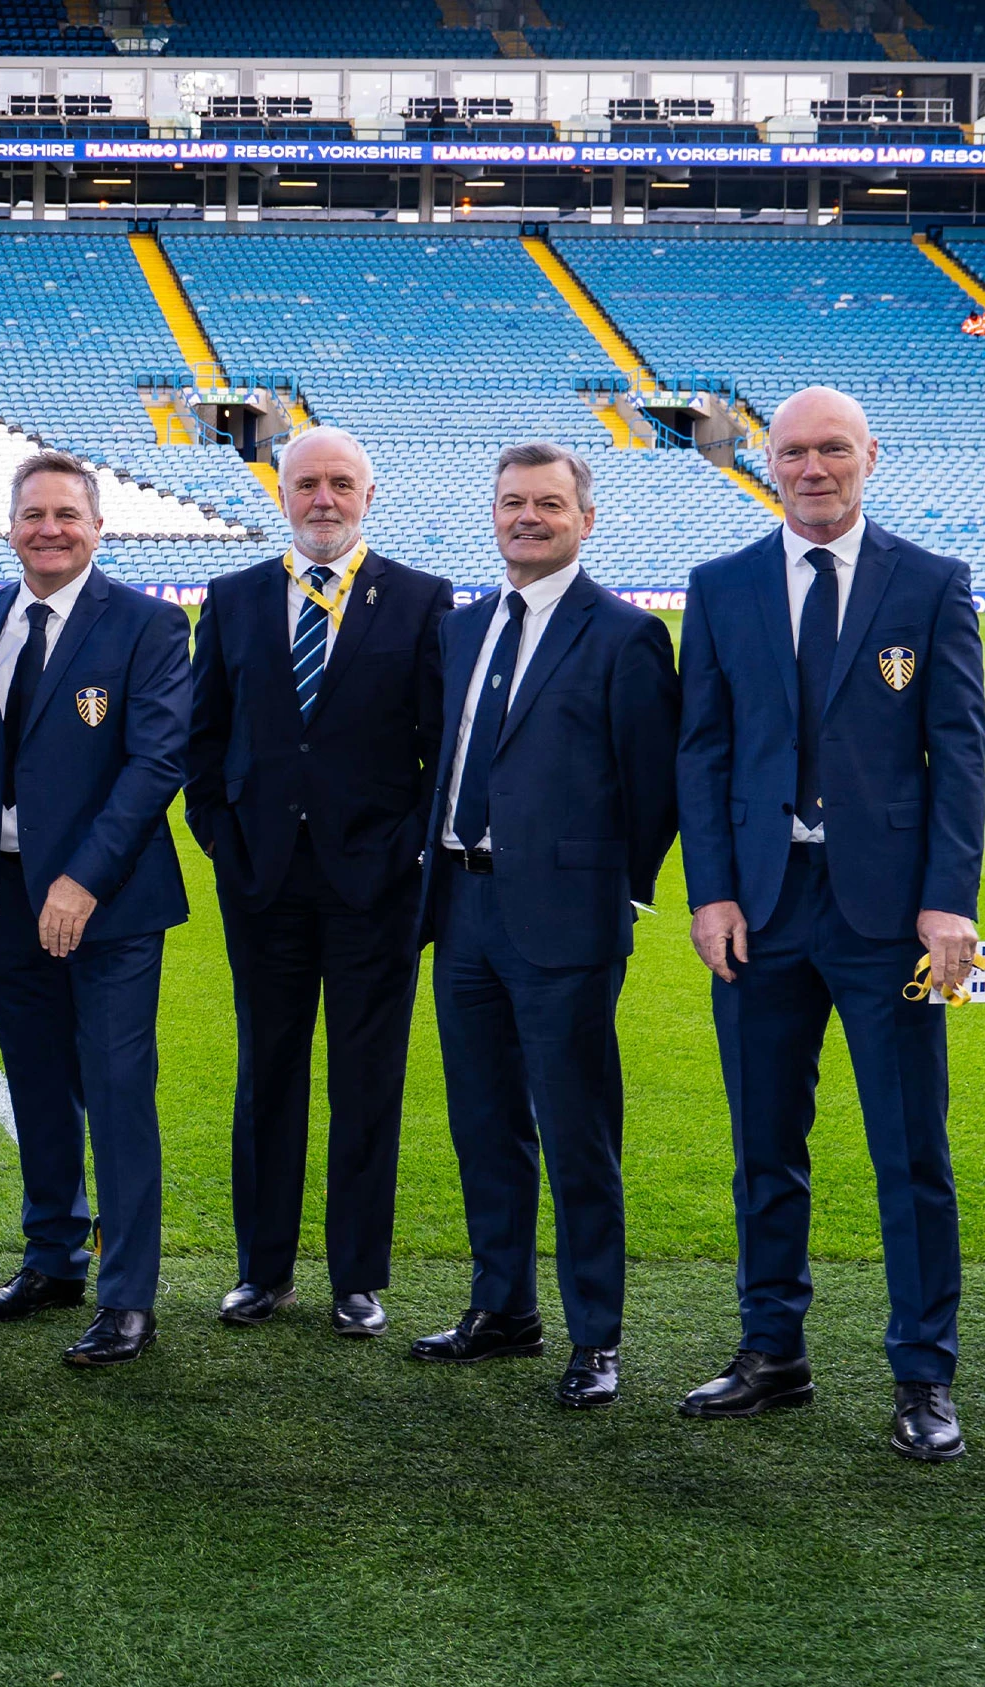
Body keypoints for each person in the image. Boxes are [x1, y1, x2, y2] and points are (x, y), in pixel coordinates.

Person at [676, 387, 983, 1461]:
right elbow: (703, 752)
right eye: (795, 451)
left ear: (870, 456)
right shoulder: (721, 588)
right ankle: (773, 1352)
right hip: (760, 911)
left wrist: (952, 899)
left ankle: (923, 1371)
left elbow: (962, 755)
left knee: (911, 1149)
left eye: (833, 450)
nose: (813, 467)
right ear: (767, 463)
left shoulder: (936, 584)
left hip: (891, 914)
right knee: (765, 1143)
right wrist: (710, 890)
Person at [410, 442, 678, 1410]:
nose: (529, 517)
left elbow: (654, 788)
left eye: (549, 504)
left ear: (585, 519)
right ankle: (504, 1306)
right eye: (514, 502)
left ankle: (596, 1335)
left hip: (565, 920)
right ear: (493, 513)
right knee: (484, 1121)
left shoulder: (625, 634)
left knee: (576, 1132)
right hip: (461, 908)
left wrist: (615, 891)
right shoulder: (464, 627)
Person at [183, 426, 449, 1340]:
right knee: (268, 1074)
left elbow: (437, 751)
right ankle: (262, 1270)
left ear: (368, 495)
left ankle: (357, 1276)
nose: (323, 499)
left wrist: (407, 851)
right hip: (261, 881)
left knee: (367, 1078)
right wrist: (220, 834)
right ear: (282, 495)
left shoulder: (420, 601)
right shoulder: (232, 597)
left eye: (341, 483)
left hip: (373, 884)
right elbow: (203, 738)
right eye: (306, 484)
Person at [0, 451, 193, 1368]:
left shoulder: (148, 624)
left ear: (98, 526)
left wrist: (83, 879)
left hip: (110, 903)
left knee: (115, 1091)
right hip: (5, 897)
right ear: (10, 525)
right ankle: (54, 1255)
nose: (49, 529)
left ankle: (127, 1294)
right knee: (36, 1083)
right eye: (33, 514)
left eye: (68, 514)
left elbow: (155, 765)